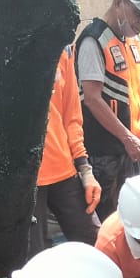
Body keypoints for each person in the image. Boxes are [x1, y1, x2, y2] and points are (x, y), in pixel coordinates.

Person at [78, 0, 140, 220]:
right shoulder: (93, 40)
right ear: (119, 3)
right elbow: (92, 99)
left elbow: (138, 93)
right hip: (106, 152)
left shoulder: (134, 41)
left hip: (135, 148)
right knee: (111, 217)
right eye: (138, 12)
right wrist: (127, 138)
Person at [33, 44, 102, 247]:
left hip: (63, 169)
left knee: (97, 243)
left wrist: (85, 170)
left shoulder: (64, 48)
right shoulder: (7, 39)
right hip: (25, 178)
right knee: (33, 259)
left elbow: (71, 116)